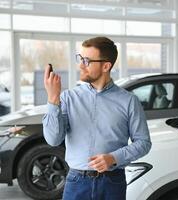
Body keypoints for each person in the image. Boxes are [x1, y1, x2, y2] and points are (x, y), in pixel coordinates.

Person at [42, 36, 152, 200]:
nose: (80, 65)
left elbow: (143, 143)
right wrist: (53, 99)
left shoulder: (129, 101)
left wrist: (114, 158)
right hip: (76, 182)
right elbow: (53, 139)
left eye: (86, 60)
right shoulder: (68, 98)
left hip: (112, 182)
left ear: (106, 66)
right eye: (80, 58)